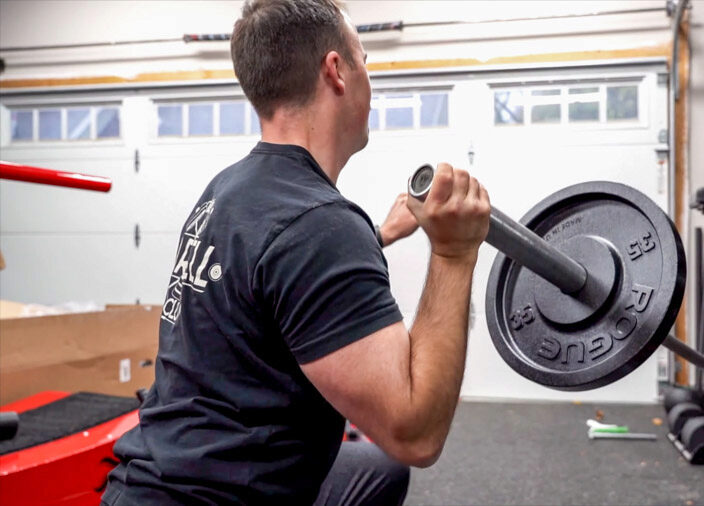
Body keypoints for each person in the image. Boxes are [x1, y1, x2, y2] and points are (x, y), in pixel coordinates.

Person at [101, 0, 491, 504]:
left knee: (378, 470)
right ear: (337, 71)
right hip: (219, 497)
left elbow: (276, 280)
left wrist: (379, 234)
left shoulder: (229, 190)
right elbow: (415, 433)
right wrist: (454, 253)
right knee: (396, 452)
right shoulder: (320, 225)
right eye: (364, 61)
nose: (369, 79)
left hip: (155, 480)